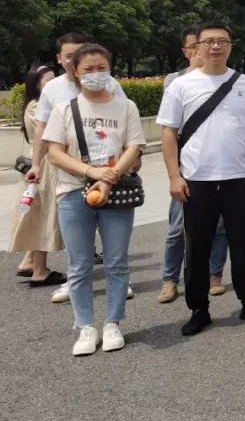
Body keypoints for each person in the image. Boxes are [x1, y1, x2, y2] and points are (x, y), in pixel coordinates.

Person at [157, 22, 245, 336]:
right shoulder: (181, 86)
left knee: (243, 244)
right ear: (196, 47)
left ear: (231, 46)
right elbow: (168, 134)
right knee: (197, 247)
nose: (216, 47)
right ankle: (199, 308)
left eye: (222, 41)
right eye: (208, 41)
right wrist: (174, 176)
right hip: (197, 180)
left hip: (239, 177)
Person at [42, 44, 145, 355]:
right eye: (88, 69)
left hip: (117, 190)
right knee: (79, 264)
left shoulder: (126, 106)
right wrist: (91, 171)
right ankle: (85, 326)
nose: (96, 74)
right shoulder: (64, 109)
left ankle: (113, 322)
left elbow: (133, 146)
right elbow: (54, 153)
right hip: (73, 191)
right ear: (75, 71)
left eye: (102, 68)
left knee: (117, 261)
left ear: (110, 69)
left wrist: (110, 176)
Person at [27, 33, 129, 303]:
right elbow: (42, 129)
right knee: (73, 229)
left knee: (110, 227)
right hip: (68, 169)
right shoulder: (53, 89)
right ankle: (74, 282)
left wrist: (124, 163)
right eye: (70, 56)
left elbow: (124, 122)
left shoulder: (111, 84)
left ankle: (118, 280)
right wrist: (36, 164)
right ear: (62, 60)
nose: (77, 60)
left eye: (80, 53)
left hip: (108, 168)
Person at [158, 26, 228, 304]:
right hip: (188, 167)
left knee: (220, 227)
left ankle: (215, 274)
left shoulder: (228, 79)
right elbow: (169, 128)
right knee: (178, 228)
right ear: (188, 50)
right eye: (196, 46)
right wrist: (173, 175)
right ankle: (169, 279)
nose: (202, 51)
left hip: (221, 168)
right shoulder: (176, 81)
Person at [11, 66, 64, 286]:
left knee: (37, 213)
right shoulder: (36, 106)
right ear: (37, 84)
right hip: (42, 164)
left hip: (38, 163)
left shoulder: (35, 104)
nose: (54, 83)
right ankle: (40, 271)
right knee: (43, 214)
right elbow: (50, 133)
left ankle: (29, 262)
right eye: (48, 80)